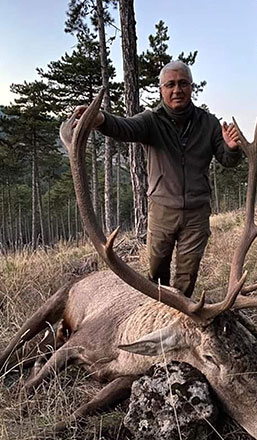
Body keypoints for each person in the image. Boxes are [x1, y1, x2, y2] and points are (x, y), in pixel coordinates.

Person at [73, 60, 243, 297]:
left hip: (197, 213)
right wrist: (101, 119)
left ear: (192, 87)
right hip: (162, 211)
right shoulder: (151, 121)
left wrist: (232, 147)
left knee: (187, 276)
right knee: (156, 273)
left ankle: (178, 323)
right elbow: (125, 127)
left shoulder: (209, 123)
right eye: (170, 84)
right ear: (161, 89)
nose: (177, 90)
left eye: (183, 83)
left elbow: (227, 159)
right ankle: (155, 317)